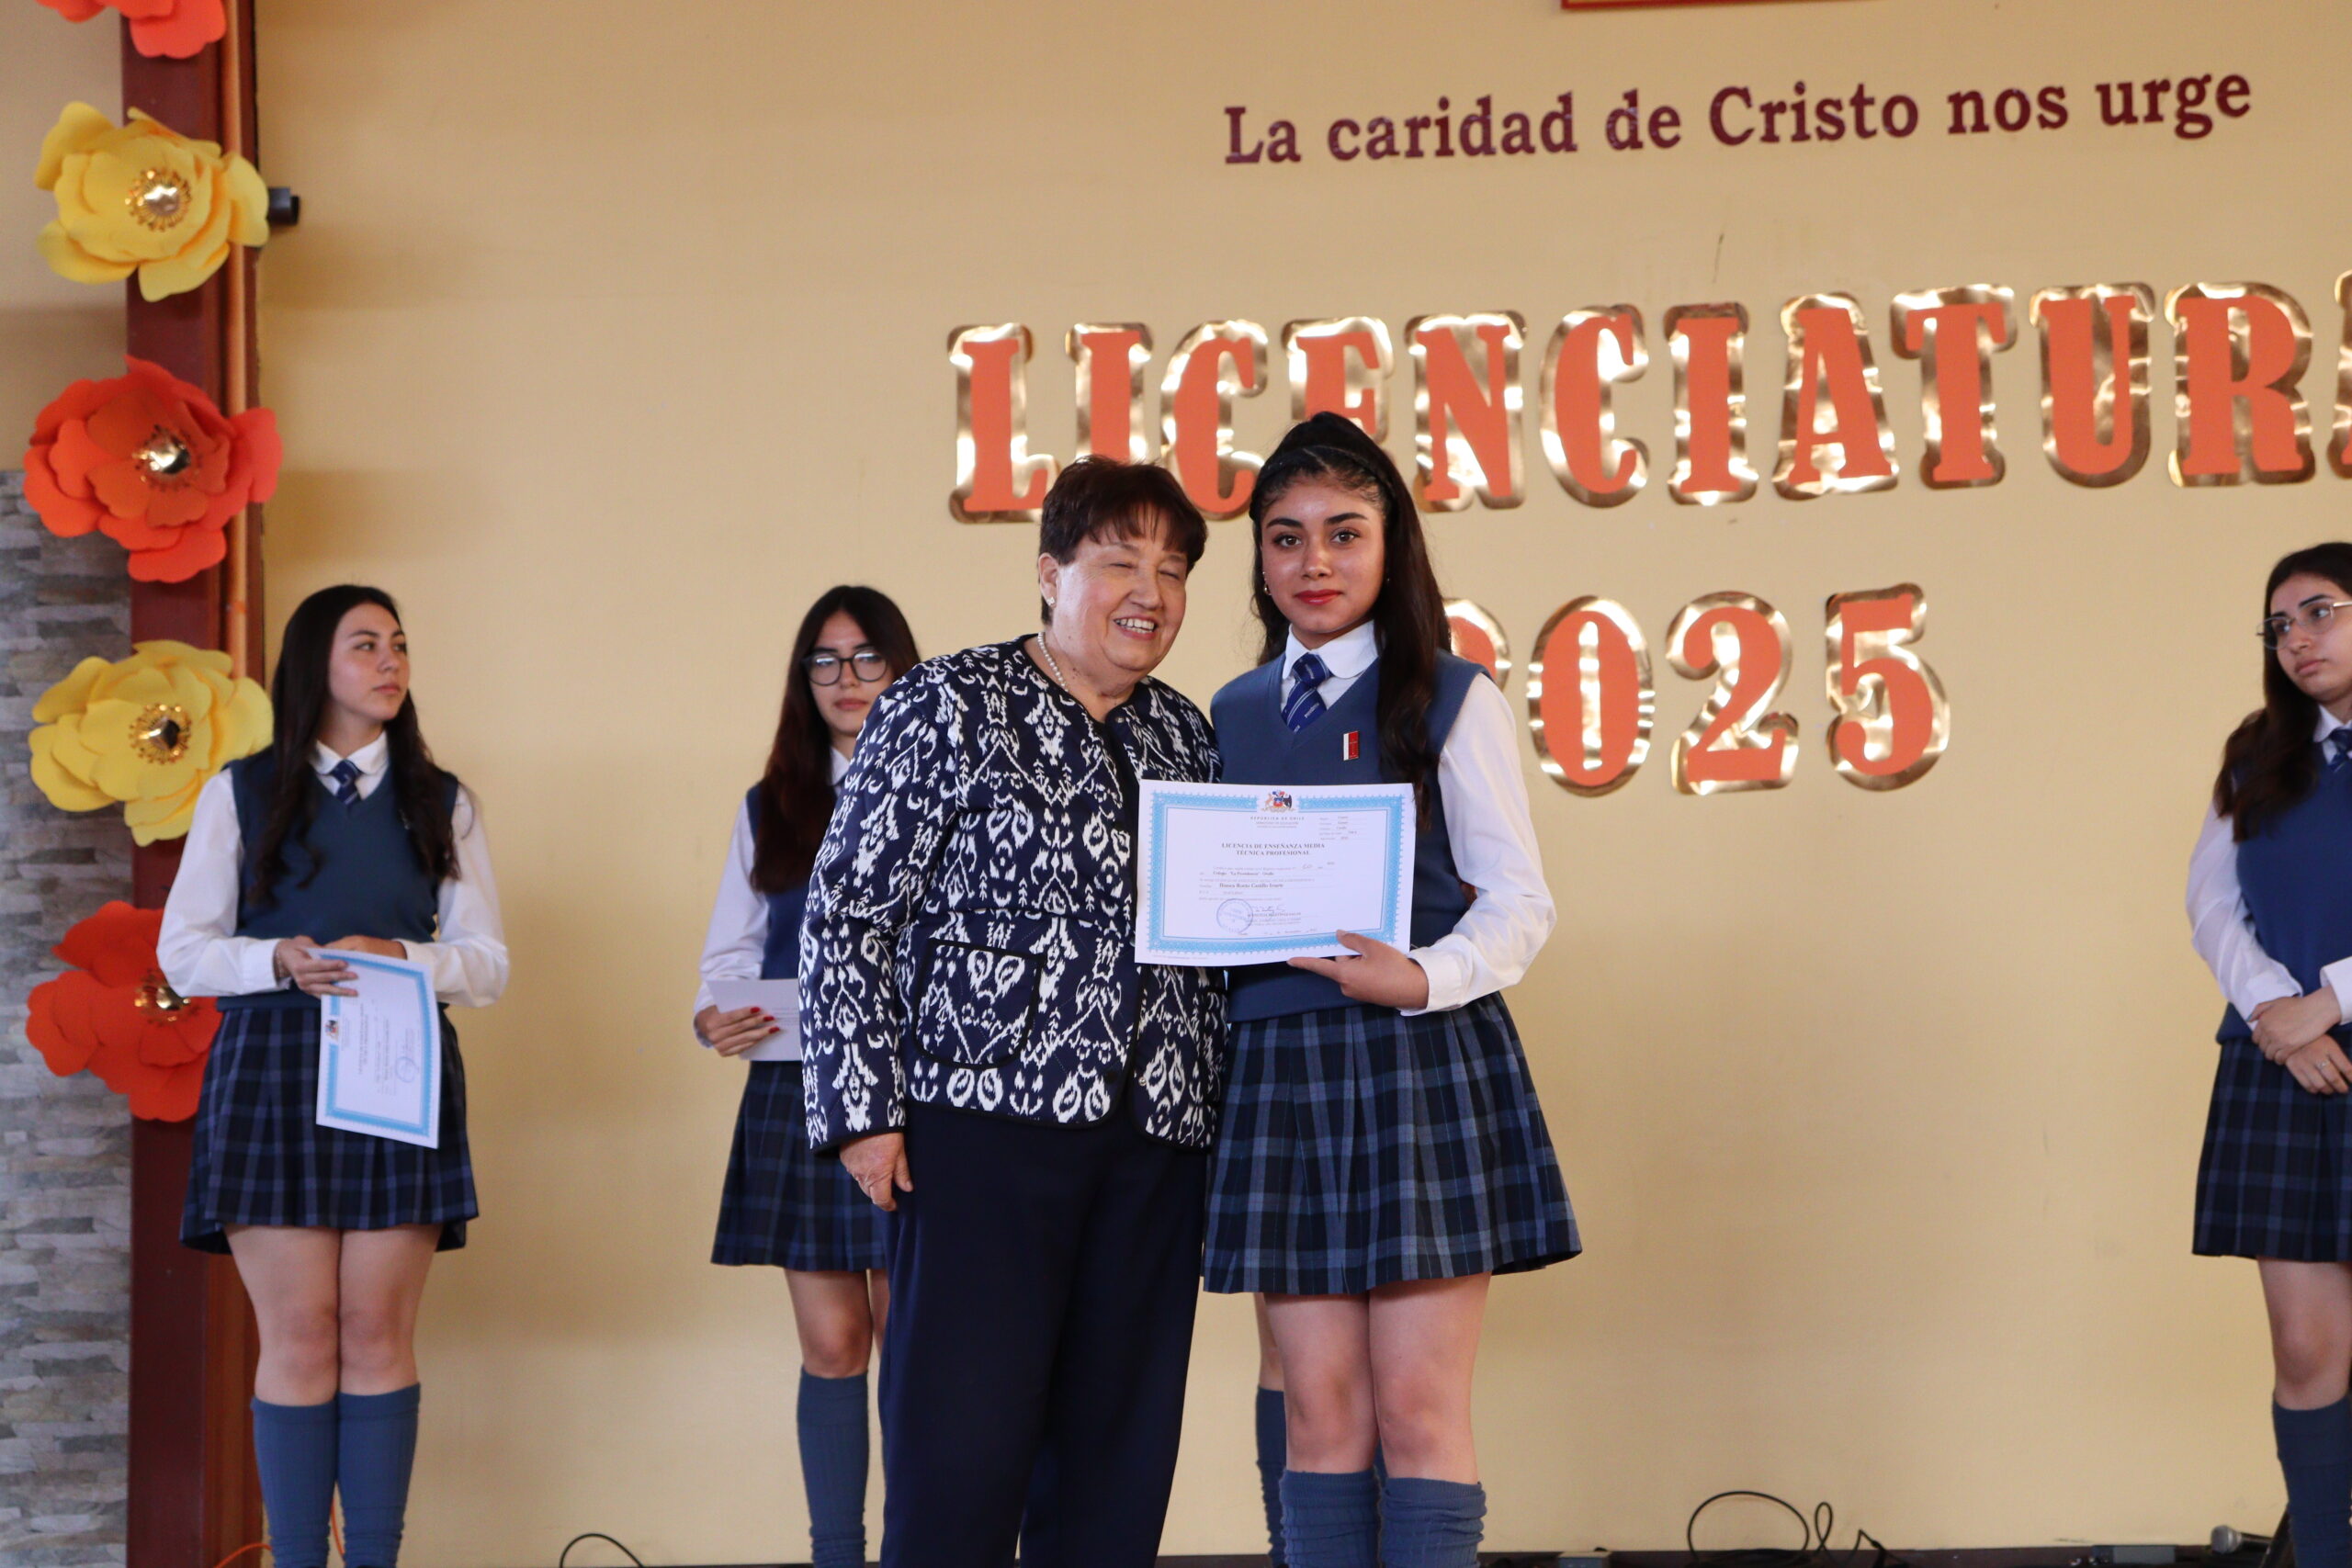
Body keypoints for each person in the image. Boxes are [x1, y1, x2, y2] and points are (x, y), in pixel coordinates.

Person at [799, 457, 1225, 1568]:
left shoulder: (1186, 736)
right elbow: (846, 915)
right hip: (978, 1136)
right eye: (1119, 562)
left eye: (1172, 570)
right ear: (1049, 573)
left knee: (1116, 1466)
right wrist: (862, 1113)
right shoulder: (946, 703)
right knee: (961, 1458)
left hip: (1153, 1143)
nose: (1151, 592)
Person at [1204, 412, 1577, 1568]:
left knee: (1418, 1413)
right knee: (1319, 1418)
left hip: (1416, 1062)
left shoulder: (1451, 696)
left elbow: (1519, 902)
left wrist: (1418, 975)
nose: (1313, 561)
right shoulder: (1230, 712)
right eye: (1285, 537)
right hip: (1276, 1069)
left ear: (1389, 545)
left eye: (1343, 533)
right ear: (1260, 559)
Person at [160, 584, 507, 1568]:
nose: (391, 661)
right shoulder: (239, 791)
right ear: (316, 662)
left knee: (375, 1330)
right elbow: (183, 953)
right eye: (366, 644)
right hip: (271, 1069)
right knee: (302, 1334)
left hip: (397, 1061)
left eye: (399, 644)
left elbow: (487, 965)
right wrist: (275, 959)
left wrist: (402, 956)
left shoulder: (443, 800)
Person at [695, 585, 919, 1568]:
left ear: (902, 668)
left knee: (914, 1346)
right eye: (824, 661)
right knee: (832, 1346)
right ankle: (837, 1553)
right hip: (797, 1088)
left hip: (917, 1093)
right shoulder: (772, 804)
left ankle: (920, 1547)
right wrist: (714, 1014)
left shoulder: (942, 787)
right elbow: (726, 959)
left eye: (867, 658)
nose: (846, 679)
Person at [2188, 541, 2352, 1568]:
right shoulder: (2258, 751)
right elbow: (2210, 901)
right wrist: (2276, 1011)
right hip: (2280, 1062)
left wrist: (2331, 999)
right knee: (2305, 1346)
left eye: (2320, 612)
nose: (2296, 639)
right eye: (2279, 625)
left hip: (2321, 1023)